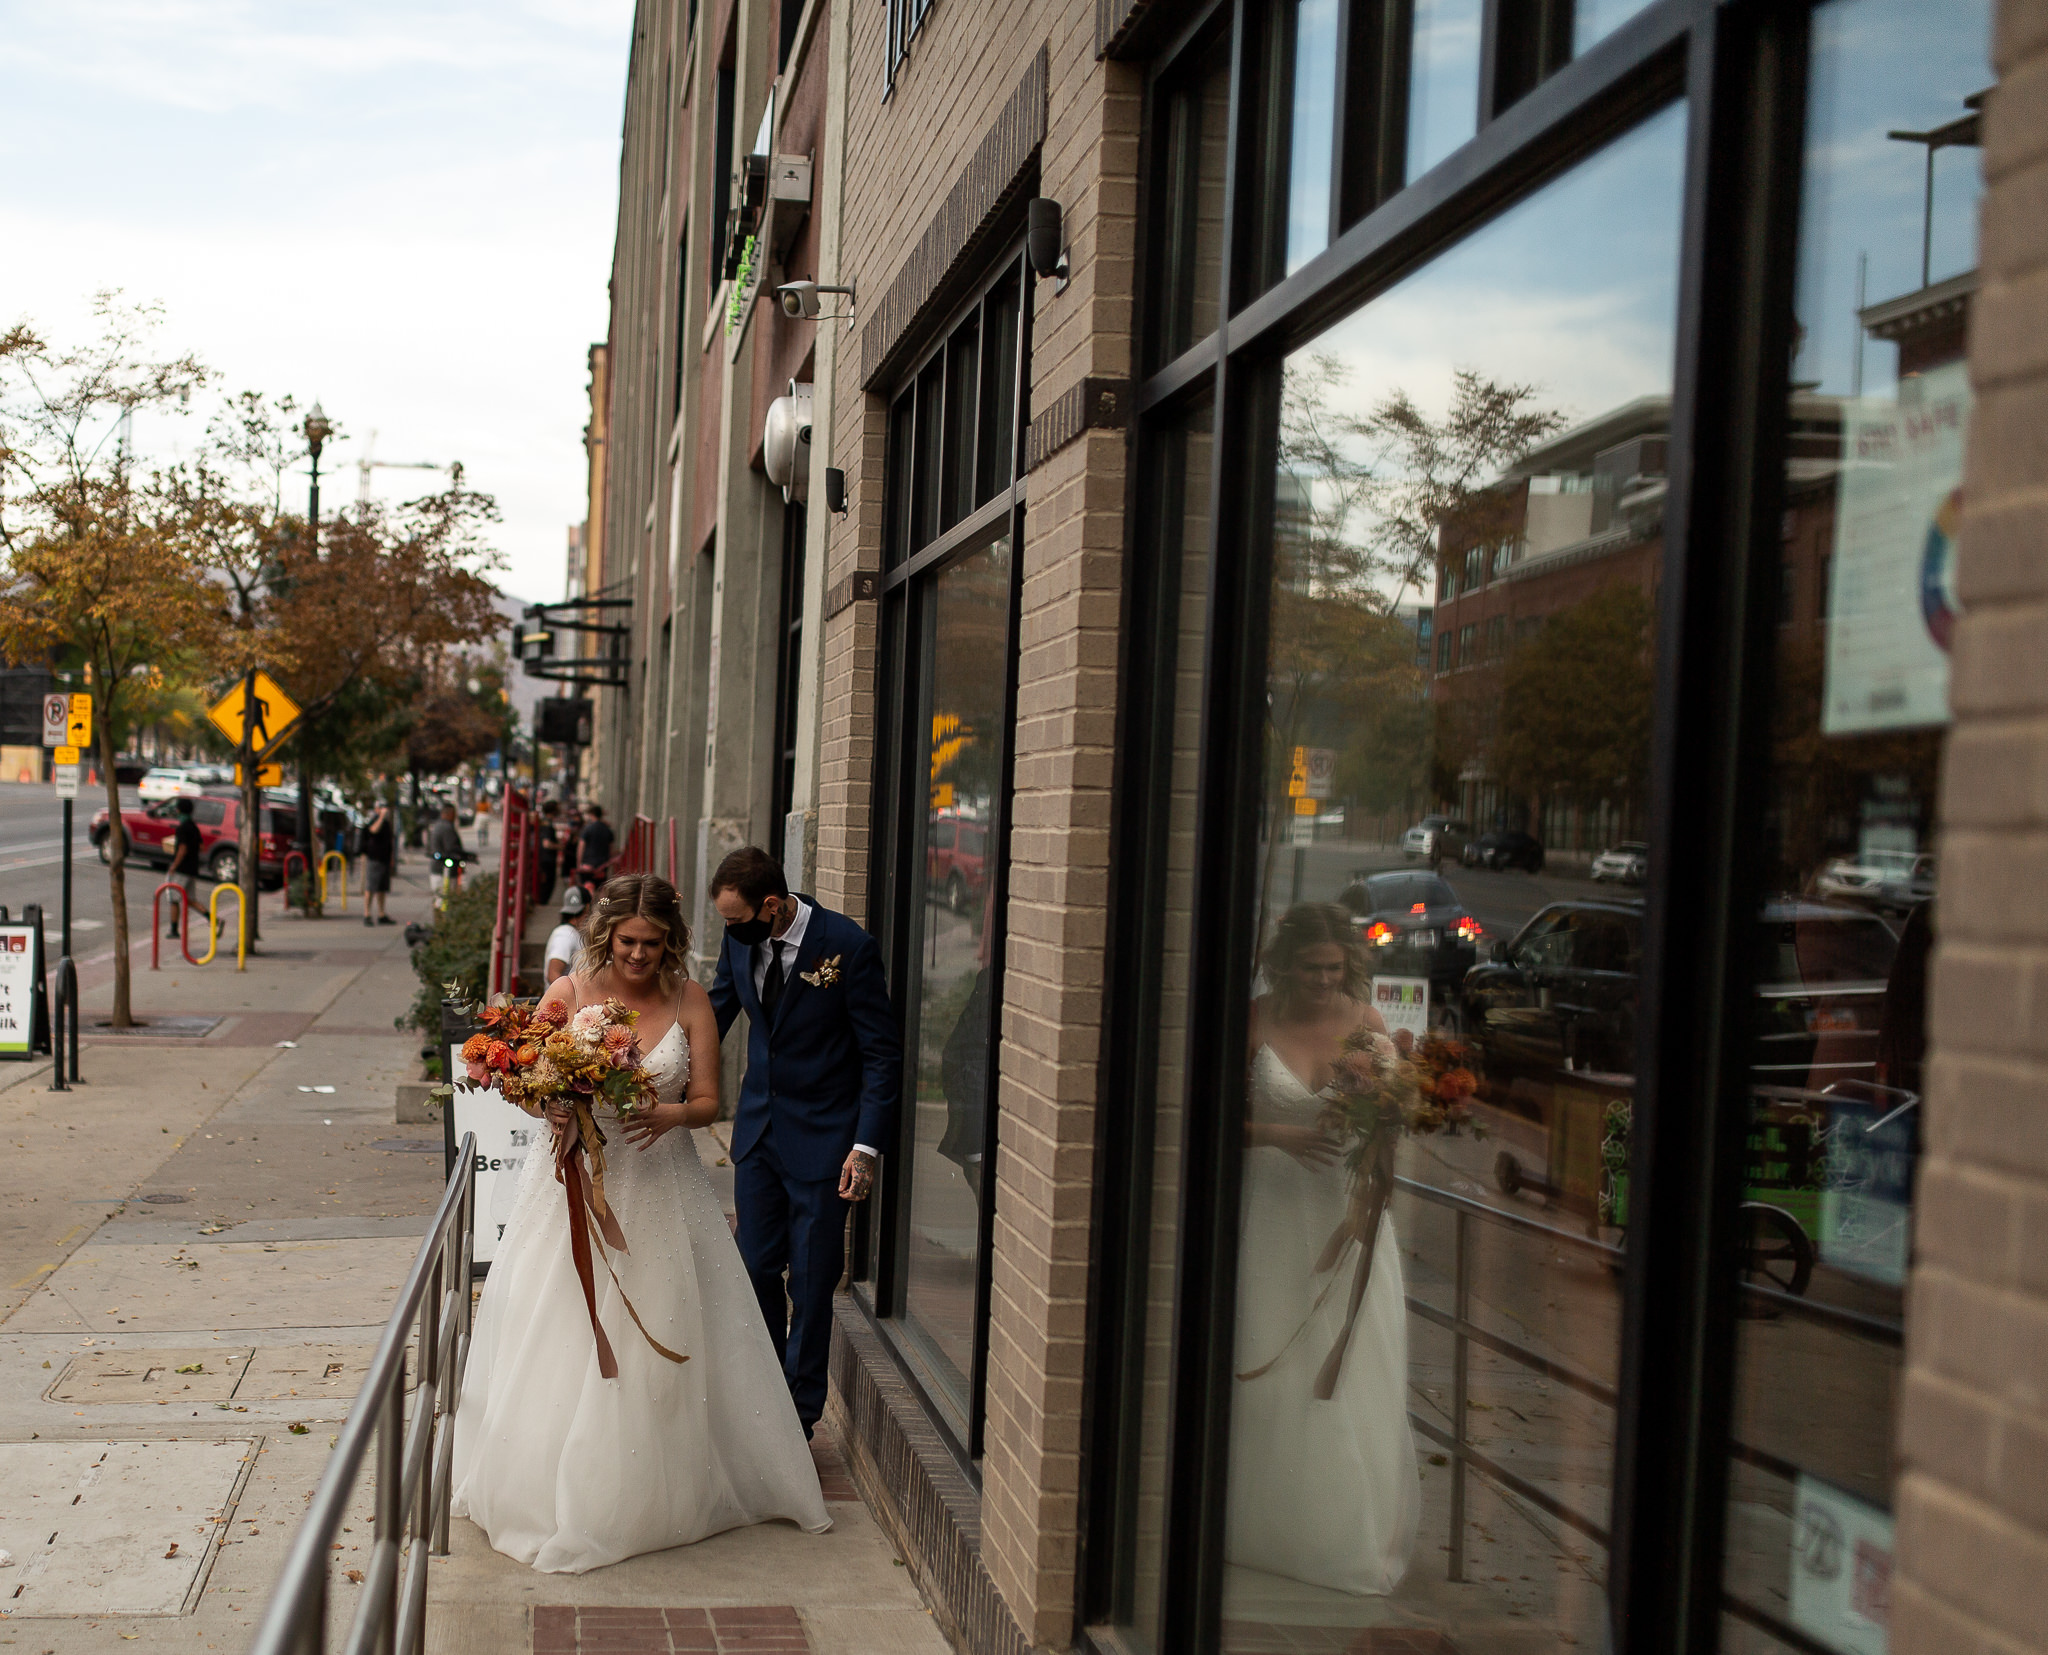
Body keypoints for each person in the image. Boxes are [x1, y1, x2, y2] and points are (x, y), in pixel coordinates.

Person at [451, 873, 829, 1572]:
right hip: (572, 1179)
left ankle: (658, 1488)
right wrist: (554, 1108)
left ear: (670, 941)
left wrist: (669, 1113)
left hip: (661, 1183)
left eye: (652, 944)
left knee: (668, 1324)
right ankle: (554, 1487)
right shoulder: (568, 995)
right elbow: (530, 1085)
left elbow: (710, 1100)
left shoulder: (691, 1000)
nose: (638, 955)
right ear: (607, 935)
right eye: (627, 941)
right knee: (557, 1323)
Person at [1226, 902, 1418, 1597]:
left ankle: (1341, 1529)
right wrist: (1280, 1133)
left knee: (1347, 1367)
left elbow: (1394, 1120)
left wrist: (1387, 1120)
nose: (1323, 982)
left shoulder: (1366, 1025)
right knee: (1268, 1354)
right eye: (1311, 970)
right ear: (1285, 966)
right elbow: (1208, 1115)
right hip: (1269, 1214)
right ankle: (1257, 1522)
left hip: (1347, 1215)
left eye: (1334, 971)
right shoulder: (1253, 1020)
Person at [707, 847, 902, 1436]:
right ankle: (765, 1396)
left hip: (825, 1143)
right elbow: (711, 1017)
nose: (731, 933)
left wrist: (865, 1148)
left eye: (739, 921)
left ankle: (798, 1419)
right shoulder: (740, 939)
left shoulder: (849, 948)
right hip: (759, 1136)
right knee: (756, 1268)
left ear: (773, 906)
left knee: (813, 1284)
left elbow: (881, 1057)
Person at [166, 797, 202, 938]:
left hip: (182, 869)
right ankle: (213, 919)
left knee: (174, 899)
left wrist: (174, 866)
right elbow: (201, 846)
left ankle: (174, 929)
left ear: (179, 810)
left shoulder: (182, 828)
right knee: (189, 900)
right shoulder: (193, 826)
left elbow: (182, 848)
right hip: (193, 867)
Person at [360, 801, 396, 928]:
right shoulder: (374, 820)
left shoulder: (386, 823)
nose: (385, 810)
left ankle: (381, 914)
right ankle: (367, 914)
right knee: (371, 887)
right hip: (374, 858)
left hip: (384, 858)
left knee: (382, 888)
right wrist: (381, 816)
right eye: (382, 808)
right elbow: (373, 830)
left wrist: (391, 859)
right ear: (376, 809)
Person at [544, 885, 587, 983]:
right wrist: (569, 996)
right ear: (587, 908)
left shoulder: (572, 933)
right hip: (563, 997)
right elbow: (553, 974)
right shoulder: (565, 934)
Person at [427, 804, 466, 893]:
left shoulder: (437, 825)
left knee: (438, 899)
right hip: (445, 871)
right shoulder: (447, 827)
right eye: (454, 814)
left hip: (436, 869)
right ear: (449, 814)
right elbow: (452, 847)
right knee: (446, 897)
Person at [576, 803, 615, 888]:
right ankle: (600, 901)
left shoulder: (587, 829)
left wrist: (579, 864)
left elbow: (581, 847)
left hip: (587, 865)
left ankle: (588, 900)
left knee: (586, 888)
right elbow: (611, 849)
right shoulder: (607, 830)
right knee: (600, 889)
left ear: (591, 815)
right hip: (602, 866)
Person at [535, 798, 561, 906]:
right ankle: (542, 903)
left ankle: (542, 902)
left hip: (544, 858)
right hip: (547, 859)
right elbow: (547, 843)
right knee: (548, 883)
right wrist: (560, 846)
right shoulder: (547, 824)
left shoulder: (545, 822)